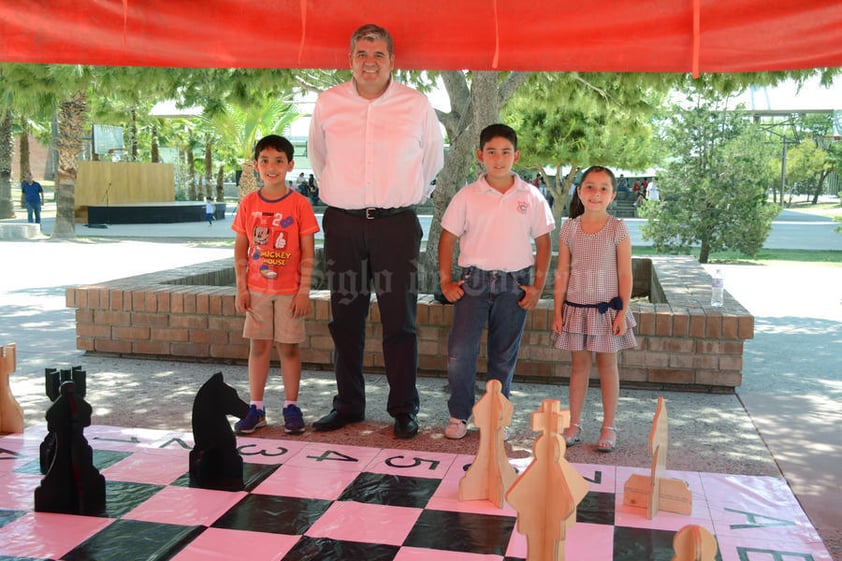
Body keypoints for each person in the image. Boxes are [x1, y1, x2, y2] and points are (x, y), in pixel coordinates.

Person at [308, 23, 444, 439]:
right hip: (343, 224)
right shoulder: (329, 103)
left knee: (399, 321)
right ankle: (348, 405)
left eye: (378, 54)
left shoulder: (415, 104)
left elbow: (432, 162)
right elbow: (319, 158)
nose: (369, 62)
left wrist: (401, 196)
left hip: (396, 226)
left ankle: (404, 408)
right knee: (344, 318)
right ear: (350, 59)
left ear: (392, 60)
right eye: (361, 54)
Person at [439, 124, 554, 439]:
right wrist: (446, 281)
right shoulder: (468, 195)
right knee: (461, 351)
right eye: (491, 152)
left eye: (505, 152)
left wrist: (537, 288)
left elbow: (544, 244)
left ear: (516, 155)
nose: (499, 159)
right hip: (473, 283)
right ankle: (458, 415)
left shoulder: (530, 197)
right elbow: (447, 239)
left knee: (503, 354)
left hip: (514, 285)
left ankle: (495, 418)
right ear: (480, 155)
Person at [231, 135, 320, 435]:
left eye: (279, 161)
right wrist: (242, 288)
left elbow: (308, 252)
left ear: (290, 165)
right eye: (265, 161)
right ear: (256, 166)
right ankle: (255, 408)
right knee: (258, 348)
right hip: (256, 291)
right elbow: (240, 248)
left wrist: (304, 290)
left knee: (289, 349)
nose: (272, 167)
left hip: (289, 293)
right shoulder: (248, 204)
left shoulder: (299, 205)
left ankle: (291, 405)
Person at [551, 165, 637, 452]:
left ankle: (608, 426)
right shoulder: (569, 228)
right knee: (578, 367)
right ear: (579, 191)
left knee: (608, 366)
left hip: (607, 311)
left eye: (603, 188)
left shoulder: (617, 229)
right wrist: (557, 310)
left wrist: (623, 312)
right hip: (576, 309)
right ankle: (574, 424)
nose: (596, 193)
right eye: (590, 186)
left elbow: (625, 274)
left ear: (612, 195)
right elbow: (562, 272)